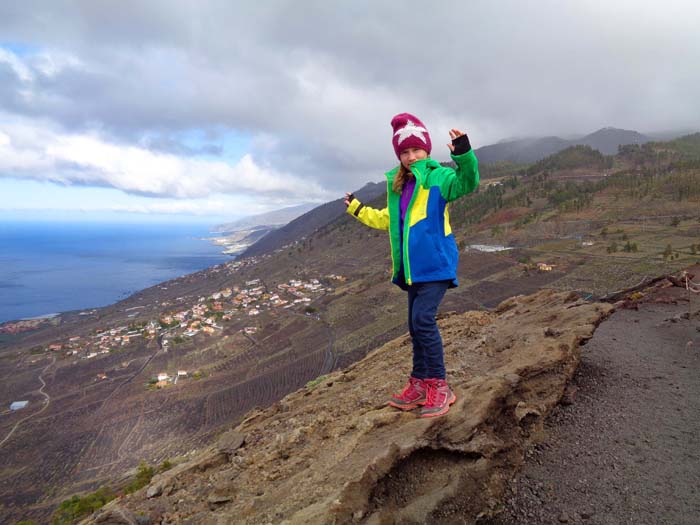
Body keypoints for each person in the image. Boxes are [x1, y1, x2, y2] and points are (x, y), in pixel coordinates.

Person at [344, 113, 479, 418]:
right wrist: (357, 209)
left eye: (416, 150)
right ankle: (419, 383)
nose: (411, 156)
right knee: (415, 326)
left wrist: (463, 153)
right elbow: (388, 221)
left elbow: (466, 183)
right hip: (412, 270)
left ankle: (439, 385)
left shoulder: (437, 177)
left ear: (427, 151)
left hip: (435, 266)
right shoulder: (400, 188)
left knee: (423, 322)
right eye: (404, 152)